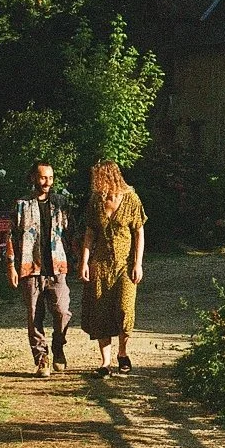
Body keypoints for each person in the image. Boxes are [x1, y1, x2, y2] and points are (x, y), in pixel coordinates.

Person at [78, 161, 148, 377]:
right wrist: (84, 262)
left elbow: (139, 232)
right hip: (101, 264)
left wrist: (138, 263)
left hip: (125, 264)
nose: (96, 183)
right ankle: (105, 362)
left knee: (125, 310)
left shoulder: (131, 198)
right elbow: (90, 233)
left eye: (99, 178)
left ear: (110, 176)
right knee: (100, 311)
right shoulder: (95, 201)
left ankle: (123, 352)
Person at [8, 162, 75, 377]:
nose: (47, 182)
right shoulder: (22, 205)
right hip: (30, 267)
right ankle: (41, 358)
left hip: (57, 266)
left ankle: (58, 346)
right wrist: (11, 265)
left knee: (62, 311)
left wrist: (78, 260)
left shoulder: (61, 203)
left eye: (50, 178)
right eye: (43, 177)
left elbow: (71, 232)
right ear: (33, 178)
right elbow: (11, 236)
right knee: (35, 316)